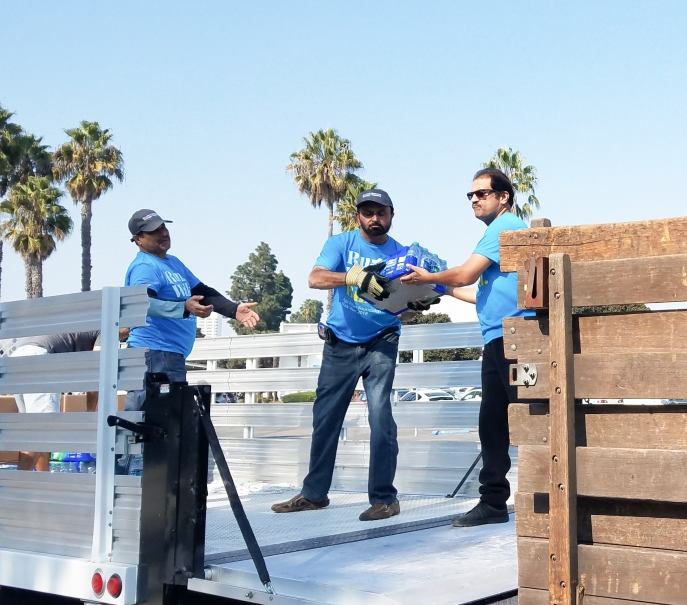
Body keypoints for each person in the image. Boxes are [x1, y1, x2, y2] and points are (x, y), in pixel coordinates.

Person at [271, 189, 408, 521]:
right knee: (325, 418)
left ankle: (385, 498)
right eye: (368, 212)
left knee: (380, 416)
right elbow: (315, 278)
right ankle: (315, 495)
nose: (375, 218)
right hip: (339, 343)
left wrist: (413, 304)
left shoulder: (402, 254)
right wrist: (353, 276)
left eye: (381, 212)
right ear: (358, 216)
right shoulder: (341, 245)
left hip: (382, 340)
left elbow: (406, 305)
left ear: (392, 215)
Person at [401, 168, 528, 527]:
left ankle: (546, 499)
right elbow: (476, 293)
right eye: (470, 195)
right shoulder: (497, 235)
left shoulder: (503, 229)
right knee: (492, 424)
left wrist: (429, 277)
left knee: (531, 423)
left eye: (482, 193)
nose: (474, 199)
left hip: (516, 338)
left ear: (503, 197)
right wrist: (437, 289)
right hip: (497, 339)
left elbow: (464, 275)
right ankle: (493, 503)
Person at [124, 209, 259, 411]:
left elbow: (202, 291)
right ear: (138, 239)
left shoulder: (173, 262)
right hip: (154, 353)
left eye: (163, 227)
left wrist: (234, 310)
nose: (163, 233)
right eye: (154, 231)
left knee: (165, 425)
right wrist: (183, 308)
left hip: (168, 355)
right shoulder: (144, 267)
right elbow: (144, 303)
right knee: (154, 424)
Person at [6, 331, 101, 471]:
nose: (129, 332)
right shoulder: (105, 330)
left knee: (33, 430)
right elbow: (96, 371)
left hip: (18, 357)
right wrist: (90, 413)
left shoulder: (85, 323)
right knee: (43, 428)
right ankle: (17, 485)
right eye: (129, 327)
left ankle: (41, 482)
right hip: (40, 358)